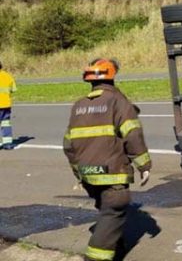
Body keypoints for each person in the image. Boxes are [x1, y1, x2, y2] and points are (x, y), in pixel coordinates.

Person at [63, 58, 152, 261]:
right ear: (113, 76)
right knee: (114, 209)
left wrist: (79, 170)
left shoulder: (79, 106)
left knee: (107, 210)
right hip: (112, 172)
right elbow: (132, 135)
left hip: (88, 175)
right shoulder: (118, 102)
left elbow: (68, 144)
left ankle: (116, 249)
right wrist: (144, 165)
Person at [0, 60, 17, 150]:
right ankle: (7, 144)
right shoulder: (7, 76)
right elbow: (13, 89)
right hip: (6, 104)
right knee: (6, 123)